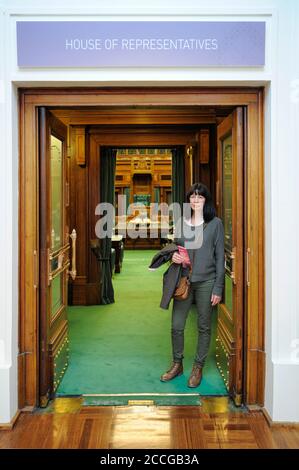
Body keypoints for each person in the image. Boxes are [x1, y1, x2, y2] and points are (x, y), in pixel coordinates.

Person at [160, 182, 225, 388]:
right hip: (184, 281)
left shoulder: (215, 223)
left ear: (206, 201)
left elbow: (220, 256)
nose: (195, 200)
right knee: (177, 326)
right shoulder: (182, 222)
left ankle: (198, 367)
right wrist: (174, 257)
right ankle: (177, 364)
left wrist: (218, 288)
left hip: (207, 282)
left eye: (200, 197)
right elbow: (175, 248)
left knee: (204, 326)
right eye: (193, 197)